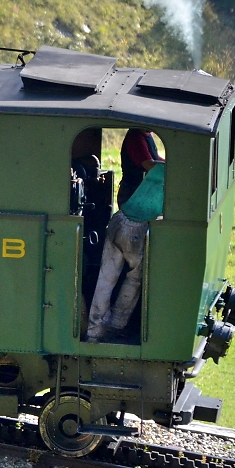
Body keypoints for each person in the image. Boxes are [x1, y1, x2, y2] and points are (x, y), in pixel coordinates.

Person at [86, 128, 165, 343]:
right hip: (136, 230)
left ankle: (94, 330)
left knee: (106, 277)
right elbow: (150, 165)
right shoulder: (161, 175)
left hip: (119, 220)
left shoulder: (147, 143)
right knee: (135, 277)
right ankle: (117, 325)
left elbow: (154, 161)